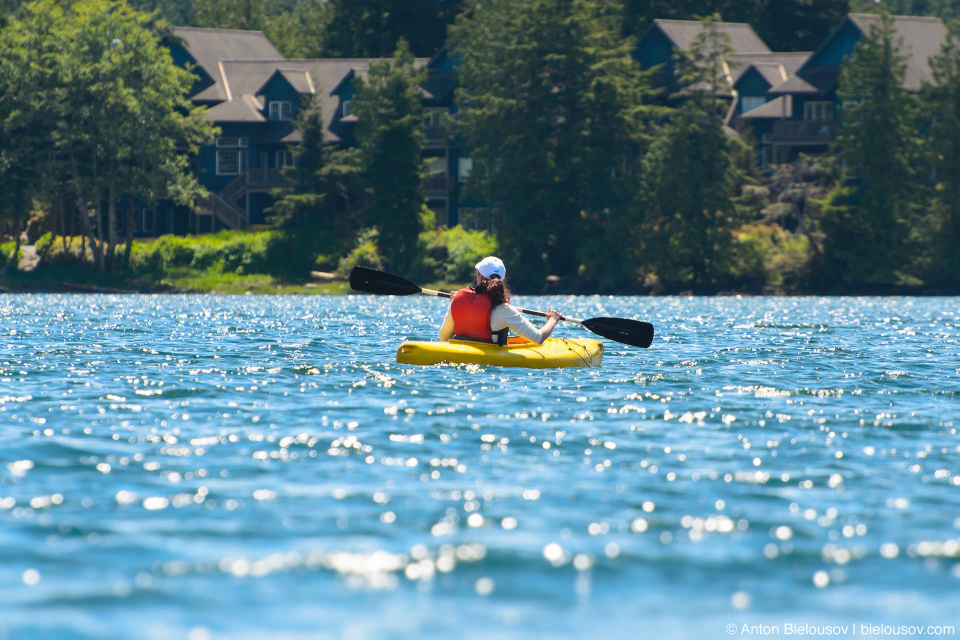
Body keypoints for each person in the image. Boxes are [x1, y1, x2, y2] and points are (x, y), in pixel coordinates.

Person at [439, 256, 562, 345]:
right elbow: (538, 338)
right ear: (501, 281)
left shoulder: (458, 299)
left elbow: (444, 337)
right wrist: (552, 320)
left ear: (479, 277)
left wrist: (454, 303)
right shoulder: (504, 309)